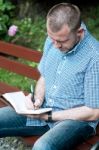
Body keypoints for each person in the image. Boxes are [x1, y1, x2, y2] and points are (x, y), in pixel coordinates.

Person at [0, 3, 99, 150]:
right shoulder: (53, 39)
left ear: (80, 32)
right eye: (52, 39)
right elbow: (44, 77)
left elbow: (93, 112)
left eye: (61, 41)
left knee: (43, 147)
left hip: (74, 121)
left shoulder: (94, 56)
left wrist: (51, 116)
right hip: (44, 111)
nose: (55, 45)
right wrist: (37, 99)